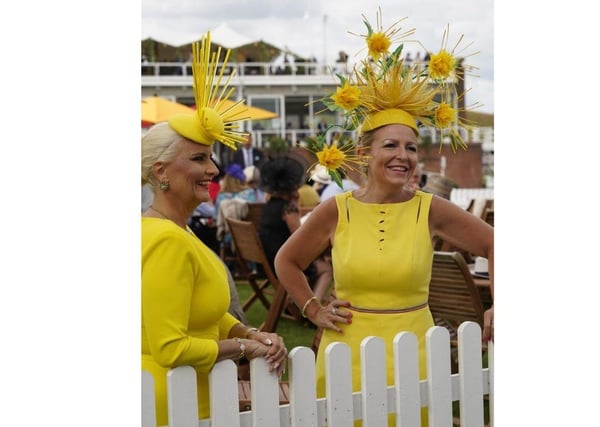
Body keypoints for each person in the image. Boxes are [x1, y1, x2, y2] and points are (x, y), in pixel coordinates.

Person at [274, 11, 492, 426]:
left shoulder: (432, 209)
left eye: (411, 148)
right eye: (391, 145)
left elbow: (494, 244)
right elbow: (287, 261)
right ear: (366, 153)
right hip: (345, 354)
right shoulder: (335, 209)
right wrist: (313, 309)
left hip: (416, 353)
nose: (403, 156)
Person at [141, 31, 287, 426]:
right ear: (161, 172)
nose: (214, 170)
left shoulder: (171, 230)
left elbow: (201, 310)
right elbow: (171, 348)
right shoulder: (167, 241)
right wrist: (244, 347)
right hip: (175, 404)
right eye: (200, 158)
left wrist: (247, 330)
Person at [258, 157, 333, 302]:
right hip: (285, 263)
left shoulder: (269, 206)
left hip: (268, 261)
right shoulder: (288, 208)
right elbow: (301, 237)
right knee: (327, 270)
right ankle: (313, 307)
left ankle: (296, 302)